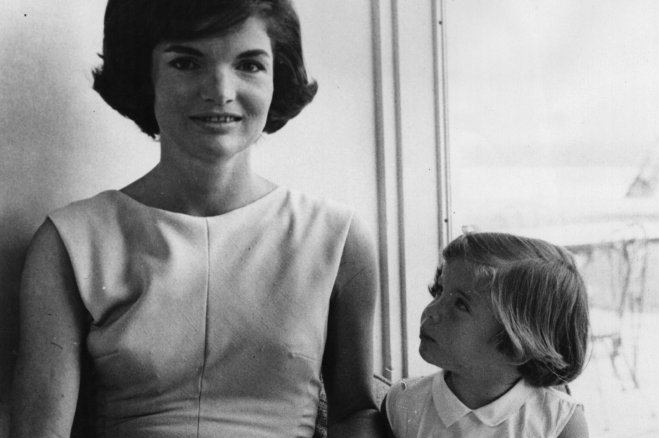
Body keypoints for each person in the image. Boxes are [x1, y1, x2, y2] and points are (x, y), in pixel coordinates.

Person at [11, 0, 384, 436]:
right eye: (187, 62)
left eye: (249, 65)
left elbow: (354, 411)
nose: (220, 90)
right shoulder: (71, 240)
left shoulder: (337, 237)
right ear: (143, 75)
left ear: (276, 78)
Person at [383, 232, 590, 437]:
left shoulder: (560, 421)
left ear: (518, 345)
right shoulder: (403, 402)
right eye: (439, 291)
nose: (431, 311)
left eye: (460, 304)